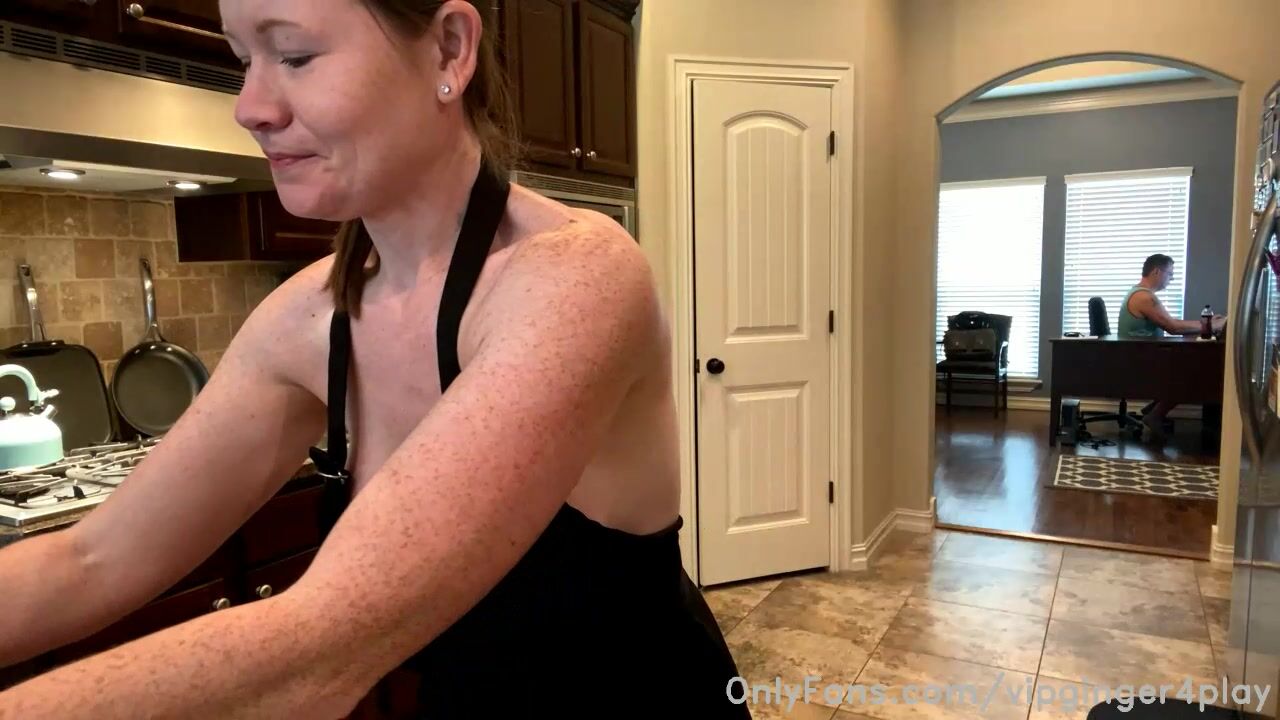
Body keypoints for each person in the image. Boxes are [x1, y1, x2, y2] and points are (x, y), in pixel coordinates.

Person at [0, 1, 750, 718]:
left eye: (294, 54)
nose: (250, 107)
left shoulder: (575, 277)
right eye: (243, 60)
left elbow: (319, 649)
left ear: (449, 49)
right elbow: (88, 561)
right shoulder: (307, 319)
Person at [1118, 253, 1226, 440]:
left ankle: (1153, 409)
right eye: (1170, 274)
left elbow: (1172, 323)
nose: (1172, 278)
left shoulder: (1141, 294)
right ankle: (1155, 415)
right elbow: (1173, 327)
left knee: (1194, 363)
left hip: (1143, 355)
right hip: (1140, 361)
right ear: (1156, 272)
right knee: (1195, 371)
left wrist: (1206, 324)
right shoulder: (1143, 297)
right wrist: (1209, 326)